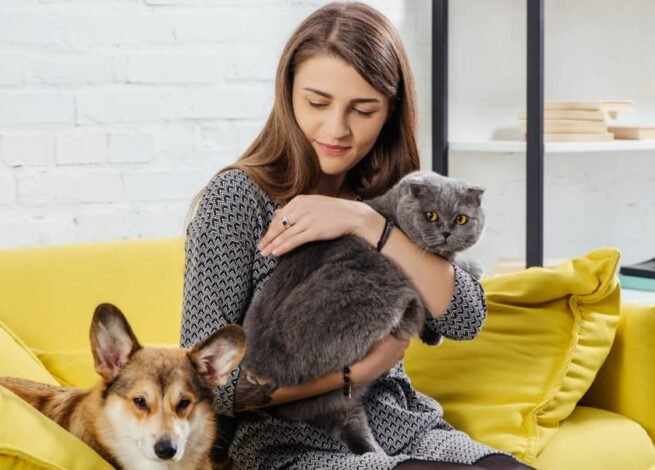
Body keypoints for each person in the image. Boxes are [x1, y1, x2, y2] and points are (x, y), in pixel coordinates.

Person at [180, 3, 535, 469]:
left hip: (405, 425)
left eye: (363, 109)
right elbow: (206, 384)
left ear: (390, 110)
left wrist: (365, 222)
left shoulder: (395, 197)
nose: (336, 129)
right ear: (287, 95)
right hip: (286, 445)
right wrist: (356, 372)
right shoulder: (238, 199)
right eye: (317, 102)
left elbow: (464, 319)